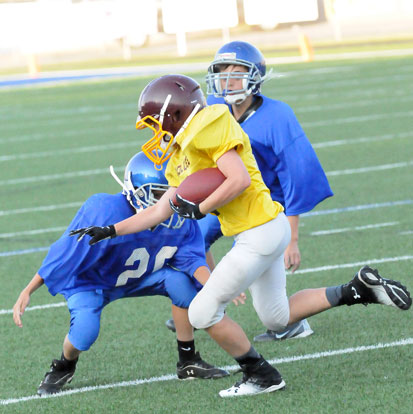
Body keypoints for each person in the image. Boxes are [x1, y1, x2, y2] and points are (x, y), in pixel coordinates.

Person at [70, 74, 411, 398]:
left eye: (154, 123)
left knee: (201, 312)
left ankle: (261, 375)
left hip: (258, 232)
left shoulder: (207, 126)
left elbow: (238, 180)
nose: (155, 133)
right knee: (277, 317)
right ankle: (357, 289)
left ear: (174, 114)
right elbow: (160, 210)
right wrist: (111, 229)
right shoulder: (181, 153)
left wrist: (201, 209)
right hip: (264, 229)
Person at [12, 151, 229, 396]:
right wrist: (29, 289)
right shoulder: (104, 210)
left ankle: (188, 360)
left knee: (182, 284)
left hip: (140, 277)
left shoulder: (178, 216)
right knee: (85, 333)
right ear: (136, 190)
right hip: (92, 283)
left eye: (171, 192)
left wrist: (215, 287)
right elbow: (64, 253)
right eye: (159, 193)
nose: (168, 200)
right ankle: (64, 365)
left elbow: (191, 258)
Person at [165, 40, 334, 341]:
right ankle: (213, 295)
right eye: (222, 71)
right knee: (192, 236)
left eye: (237, 71)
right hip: (227, 196)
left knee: (267, 286)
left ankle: (219, 302)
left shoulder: (278, 116)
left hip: (267, 200)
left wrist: (292, 238)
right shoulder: (213, 111)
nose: (228, 79)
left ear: (255, 77)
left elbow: (296, 176)